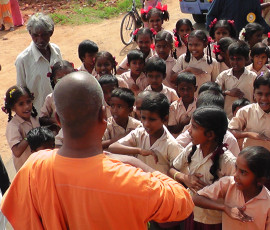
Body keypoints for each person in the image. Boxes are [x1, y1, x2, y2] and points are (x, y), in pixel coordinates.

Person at [1, 72, 194, 229]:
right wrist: (139, 165)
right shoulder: (131, 178)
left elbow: (16, 215)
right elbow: (183, 202)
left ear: (58, 119)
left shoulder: (34, 166)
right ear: (103, 115)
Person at [169, 106, 236, 230]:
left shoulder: (228, 161)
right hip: (191, 213)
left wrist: (211, 192)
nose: (188, 131)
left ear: (210, 135)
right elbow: (172, 168)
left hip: (214, 221)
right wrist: (185, 178)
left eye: (194, 127)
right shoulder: (192, 149)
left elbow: (235, 194)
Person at [193, 146, 270, 230]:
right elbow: (196, 198)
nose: (236, 175)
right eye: (236, 168)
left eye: (243, 172)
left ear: (260, 180)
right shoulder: (228, 184)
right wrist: (225, 208)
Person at [109, 92, 183, 175]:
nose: (146, 123)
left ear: (165, 119)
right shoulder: (140, 133)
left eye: (152, 119)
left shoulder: (171, 145)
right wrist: (139, 150)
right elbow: (112, 147)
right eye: (143, 118)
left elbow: (176, 172)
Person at [229, 73, 270, 159]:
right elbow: (231, 132)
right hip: (248, 162)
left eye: (269, 94)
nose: (264, 98)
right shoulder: (246, 112)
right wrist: (249, 134)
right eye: (259, 94)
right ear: (254, 93)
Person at [16, 13, 62, 110]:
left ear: (51, 32)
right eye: (35, 35)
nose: (40, 40)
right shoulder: (23, 60)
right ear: (30, 33)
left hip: (58, 109)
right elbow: (21, 91)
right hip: (37, 114)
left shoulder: (56, 51)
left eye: (44, 35)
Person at [216, 41, 257, 118]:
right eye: (232, 59)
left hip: (248, 118)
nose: (235, 62)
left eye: (239, 59)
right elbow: (214, 93)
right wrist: (227, 92)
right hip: (228, 118)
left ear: (246, 59)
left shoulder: (253, 77)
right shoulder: (223, 76)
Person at [4, 86, 40, 171]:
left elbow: (40, 122)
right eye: (21, 104)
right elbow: (17, 151)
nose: (27, 106)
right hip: (26, 171)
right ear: (13, 107)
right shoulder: (13, 126)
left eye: (28, 102)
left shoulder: (33, 117)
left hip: (38, 167)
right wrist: (30, 136)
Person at [39, 60, 75, 130]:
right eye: (60, 79)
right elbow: (42, 119)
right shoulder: (51, 98)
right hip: (59, 135)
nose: (65, 82)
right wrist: (56, 120)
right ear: (54, 80)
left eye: (69, 77)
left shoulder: (81, 93)